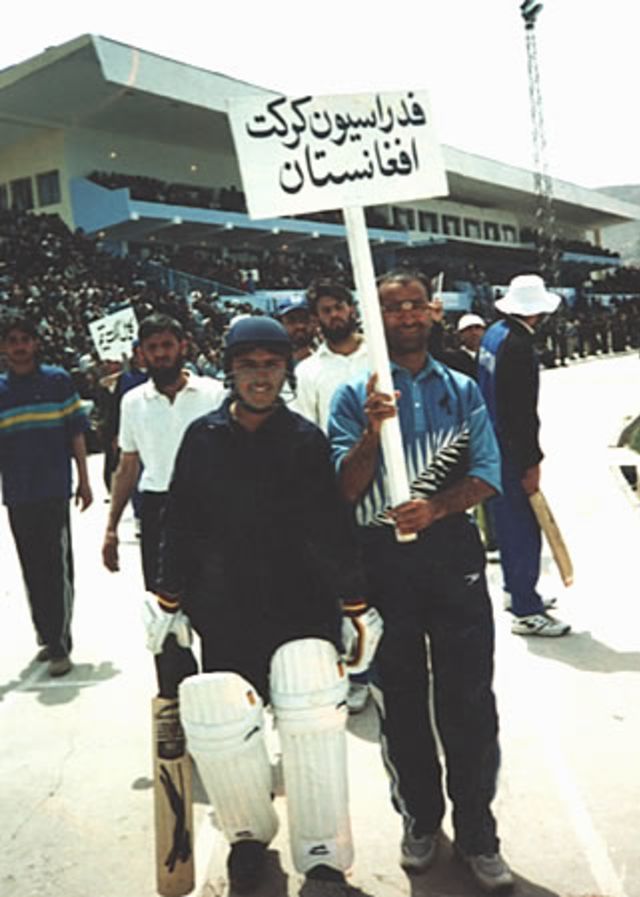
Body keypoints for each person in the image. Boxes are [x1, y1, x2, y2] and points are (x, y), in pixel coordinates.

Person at [152, 317, 381, 893]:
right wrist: (167, 597)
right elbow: (180, 521)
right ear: (229, 369)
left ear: (286, 369)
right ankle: (247, 838)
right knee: (227, 724)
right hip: (224, 607)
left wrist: (355, 603)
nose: (260, 376)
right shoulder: (202, 437)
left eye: (271, 365)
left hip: (300, 604)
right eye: (249, 365)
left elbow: (330, 527)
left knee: (311, 720)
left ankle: (322, 849)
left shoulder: (303, 439)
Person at [328, 270, 514, 892]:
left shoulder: (462, 390)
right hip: (381, 558)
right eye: (392, 308)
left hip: (451, 549)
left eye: (414, 306)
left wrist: (437, 507)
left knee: (468, 696)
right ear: (371, 318)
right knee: (400, 699)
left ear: (432, 314)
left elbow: (488, 472)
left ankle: (479, 830)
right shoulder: (354, 397)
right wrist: (371, 434)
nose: (406, 316)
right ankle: (421, 821)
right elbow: (342, 491)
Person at [101, 313, 224, 696]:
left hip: (212, 507)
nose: (161, 354)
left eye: (167, 346)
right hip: (158, 511)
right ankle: (176, 701)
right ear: (141, 354)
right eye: (152, 348)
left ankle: (225, 700)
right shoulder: (133, 402)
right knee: (165, 614)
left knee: (221, 607)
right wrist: (110, 528)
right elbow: (128, 464)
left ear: (182, 347)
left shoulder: (213, 393)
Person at [293, 279, 371, 714]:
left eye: (340, 306)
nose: (334, 315)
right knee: (348, 587)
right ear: (316, 318)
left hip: (389, 485)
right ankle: (357, 673)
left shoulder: (379, 354)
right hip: (336, 494)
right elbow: (308, 435)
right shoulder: (307, 372)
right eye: (325, 310)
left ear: (352, 308)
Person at [477, 274, 571, 637]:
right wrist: (532, 462)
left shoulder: (494, 334)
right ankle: (526, 610)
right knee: (522, 526)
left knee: (507, 521)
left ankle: (514, 590)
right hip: (510, 448)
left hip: (491, 441)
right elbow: (522, 412)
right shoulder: (519, 346)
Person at [0, 313, 93, 677]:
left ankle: (59, 642)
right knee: (31, 567)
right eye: (12, 340)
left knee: (56, 566)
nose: (20, 347)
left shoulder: (58, 381)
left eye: (25, 339)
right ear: (3, 347)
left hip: (54, 489)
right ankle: (46, 633)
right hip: (18, 494)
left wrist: (85, 480)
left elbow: (76, 434)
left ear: (36, 343)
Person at [274, 295, 315, 364]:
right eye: (291, 320)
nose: (300, 326)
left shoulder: (329, 356)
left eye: (304, 319)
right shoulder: (272, 361)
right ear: (280, 324)